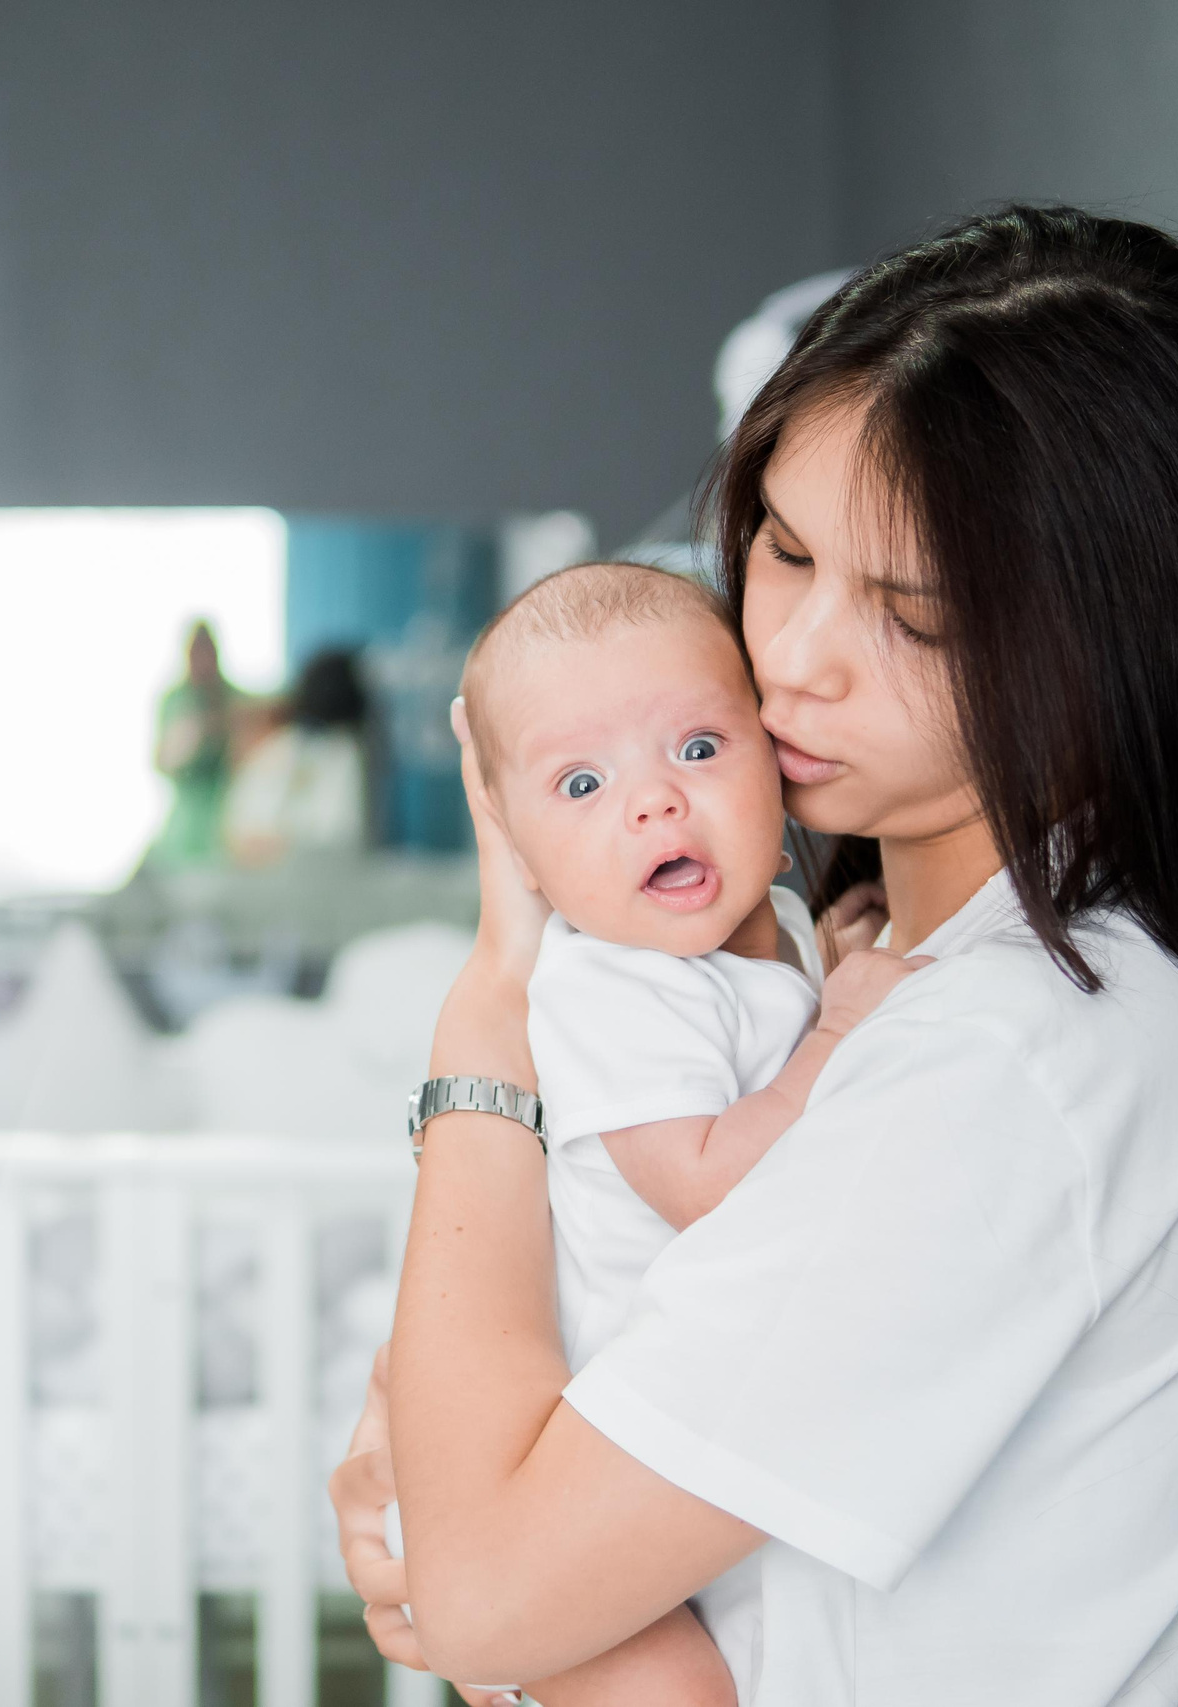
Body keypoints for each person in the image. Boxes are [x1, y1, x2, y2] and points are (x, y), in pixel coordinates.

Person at [332, 205, 1178, 1707]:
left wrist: (490, 1017)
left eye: (917, 616)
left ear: (1132, 647)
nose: (796, 654)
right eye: (785, 547)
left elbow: (484, 1592)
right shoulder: (881, 969)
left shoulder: (1022, 1056)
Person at [420, 560, 922, 1705]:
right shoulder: (612, 988)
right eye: (582, 783)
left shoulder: (777, 924)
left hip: (657, 1448)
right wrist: (836, 1037)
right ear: (517, 846)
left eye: (697, 749)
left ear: (773, 754)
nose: (653, 802)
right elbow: (702, 1184)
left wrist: (827, 974)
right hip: (555, 1465)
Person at [224, 646, 374, 866]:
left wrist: (278, 847)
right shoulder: (282, 751)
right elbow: (240, 834)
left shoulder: (342, 754)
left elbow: (343, 835)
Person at [147, 621, 245, 869]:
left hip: (228, 818)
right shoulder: (175, 701)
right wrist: (198, 730)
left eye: (207, 652)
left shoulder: (233, 699)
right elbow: (163, 760)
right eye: (195, 653)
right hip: (185, 826)